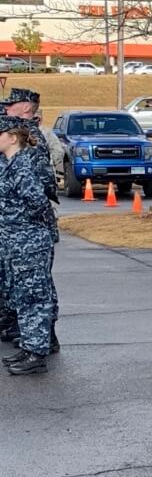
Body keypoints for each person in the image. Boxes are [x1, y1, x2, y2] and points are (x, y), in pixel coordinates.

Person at [1, 89, 61, 355]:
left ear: (25, 107)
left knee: (34, 290)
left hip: (27, 234)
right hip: (16, 234)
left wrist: (25, 226)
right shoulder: (14, 151)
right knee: (23, 288)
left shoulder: (28, 146)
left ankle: (40, 340)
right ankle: (32, 336)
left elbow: (39, 193)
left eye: (10, 105)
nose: (5, 110)